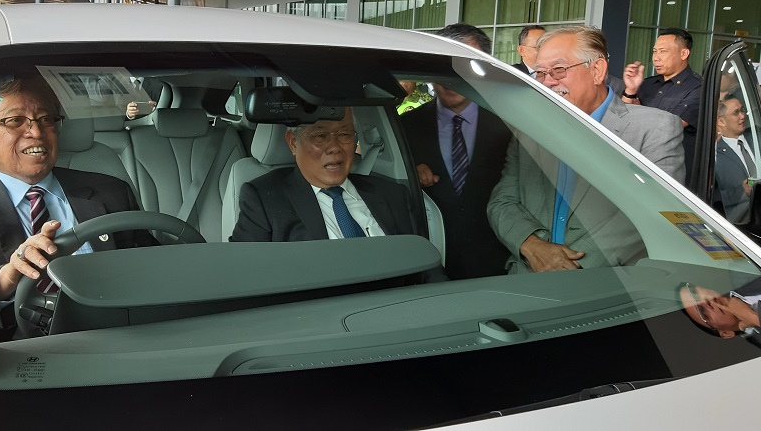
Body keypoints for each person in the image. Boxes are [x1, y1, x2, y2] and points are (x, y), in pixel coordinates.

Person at [487, 26, 684, 274]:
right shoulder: (529, 129)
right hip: (527, 281)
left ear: (597, 71)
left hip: (605, 288)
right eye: (540, 73)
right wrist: (533, 246)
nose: (547, 82)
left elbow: (658, 214)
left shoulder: (655, 128)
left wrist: (571, 268)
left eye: (558, 70)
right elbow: (502, 202)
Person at [0, 74, 157, 338]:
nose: (36, 132)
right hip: (13, 354)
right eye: (15, 121)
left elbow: (154, 268)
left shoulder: (112, 191)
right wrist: (7, 277)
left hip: (121, 337)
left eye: (47, 120)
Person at [400, 23, 512, 280]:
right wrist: (407, 175)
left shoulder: (511, 126)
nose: (452, 76)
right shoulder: (405, 126)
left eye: (464, 64)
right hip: (428, 267)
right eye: (443, 64)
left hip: (499, 266)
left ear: (483, 66)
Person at [230, 108, 419, 243]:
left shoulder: (393, 194)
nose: (335, 148)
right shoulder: (264, 199)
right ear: (293, 143)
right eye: (320, 136)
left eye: (345, 134)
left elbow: (426, 271)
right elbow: (245, 273)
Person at [622, 28, 702, 184]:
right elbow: (620, 118)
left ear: (684, 54)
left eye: (663, 52)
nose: (656, 58)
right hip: (637, 168)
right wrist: (630, 90)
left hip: (672, 175)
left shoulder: (698, 88)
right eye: (654, 51)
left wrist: (638, 113)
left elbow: (669, 126)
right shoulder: (647, 84)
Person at [714, 97, 755, 224]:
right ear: (721, 121)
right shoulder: (715, 154)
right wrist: (742, 191)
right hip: (739, 222)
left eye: (743, 110)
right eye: (736, 113)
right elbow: (715, 196)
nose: (743, 116)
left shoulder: (756, 137)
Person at [680, 280, 761, 343]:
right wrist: (753, 318)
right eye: (703, 312)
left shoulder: (742, 274)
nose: (705, 302)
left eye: (694, 294)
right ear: (726, 333)